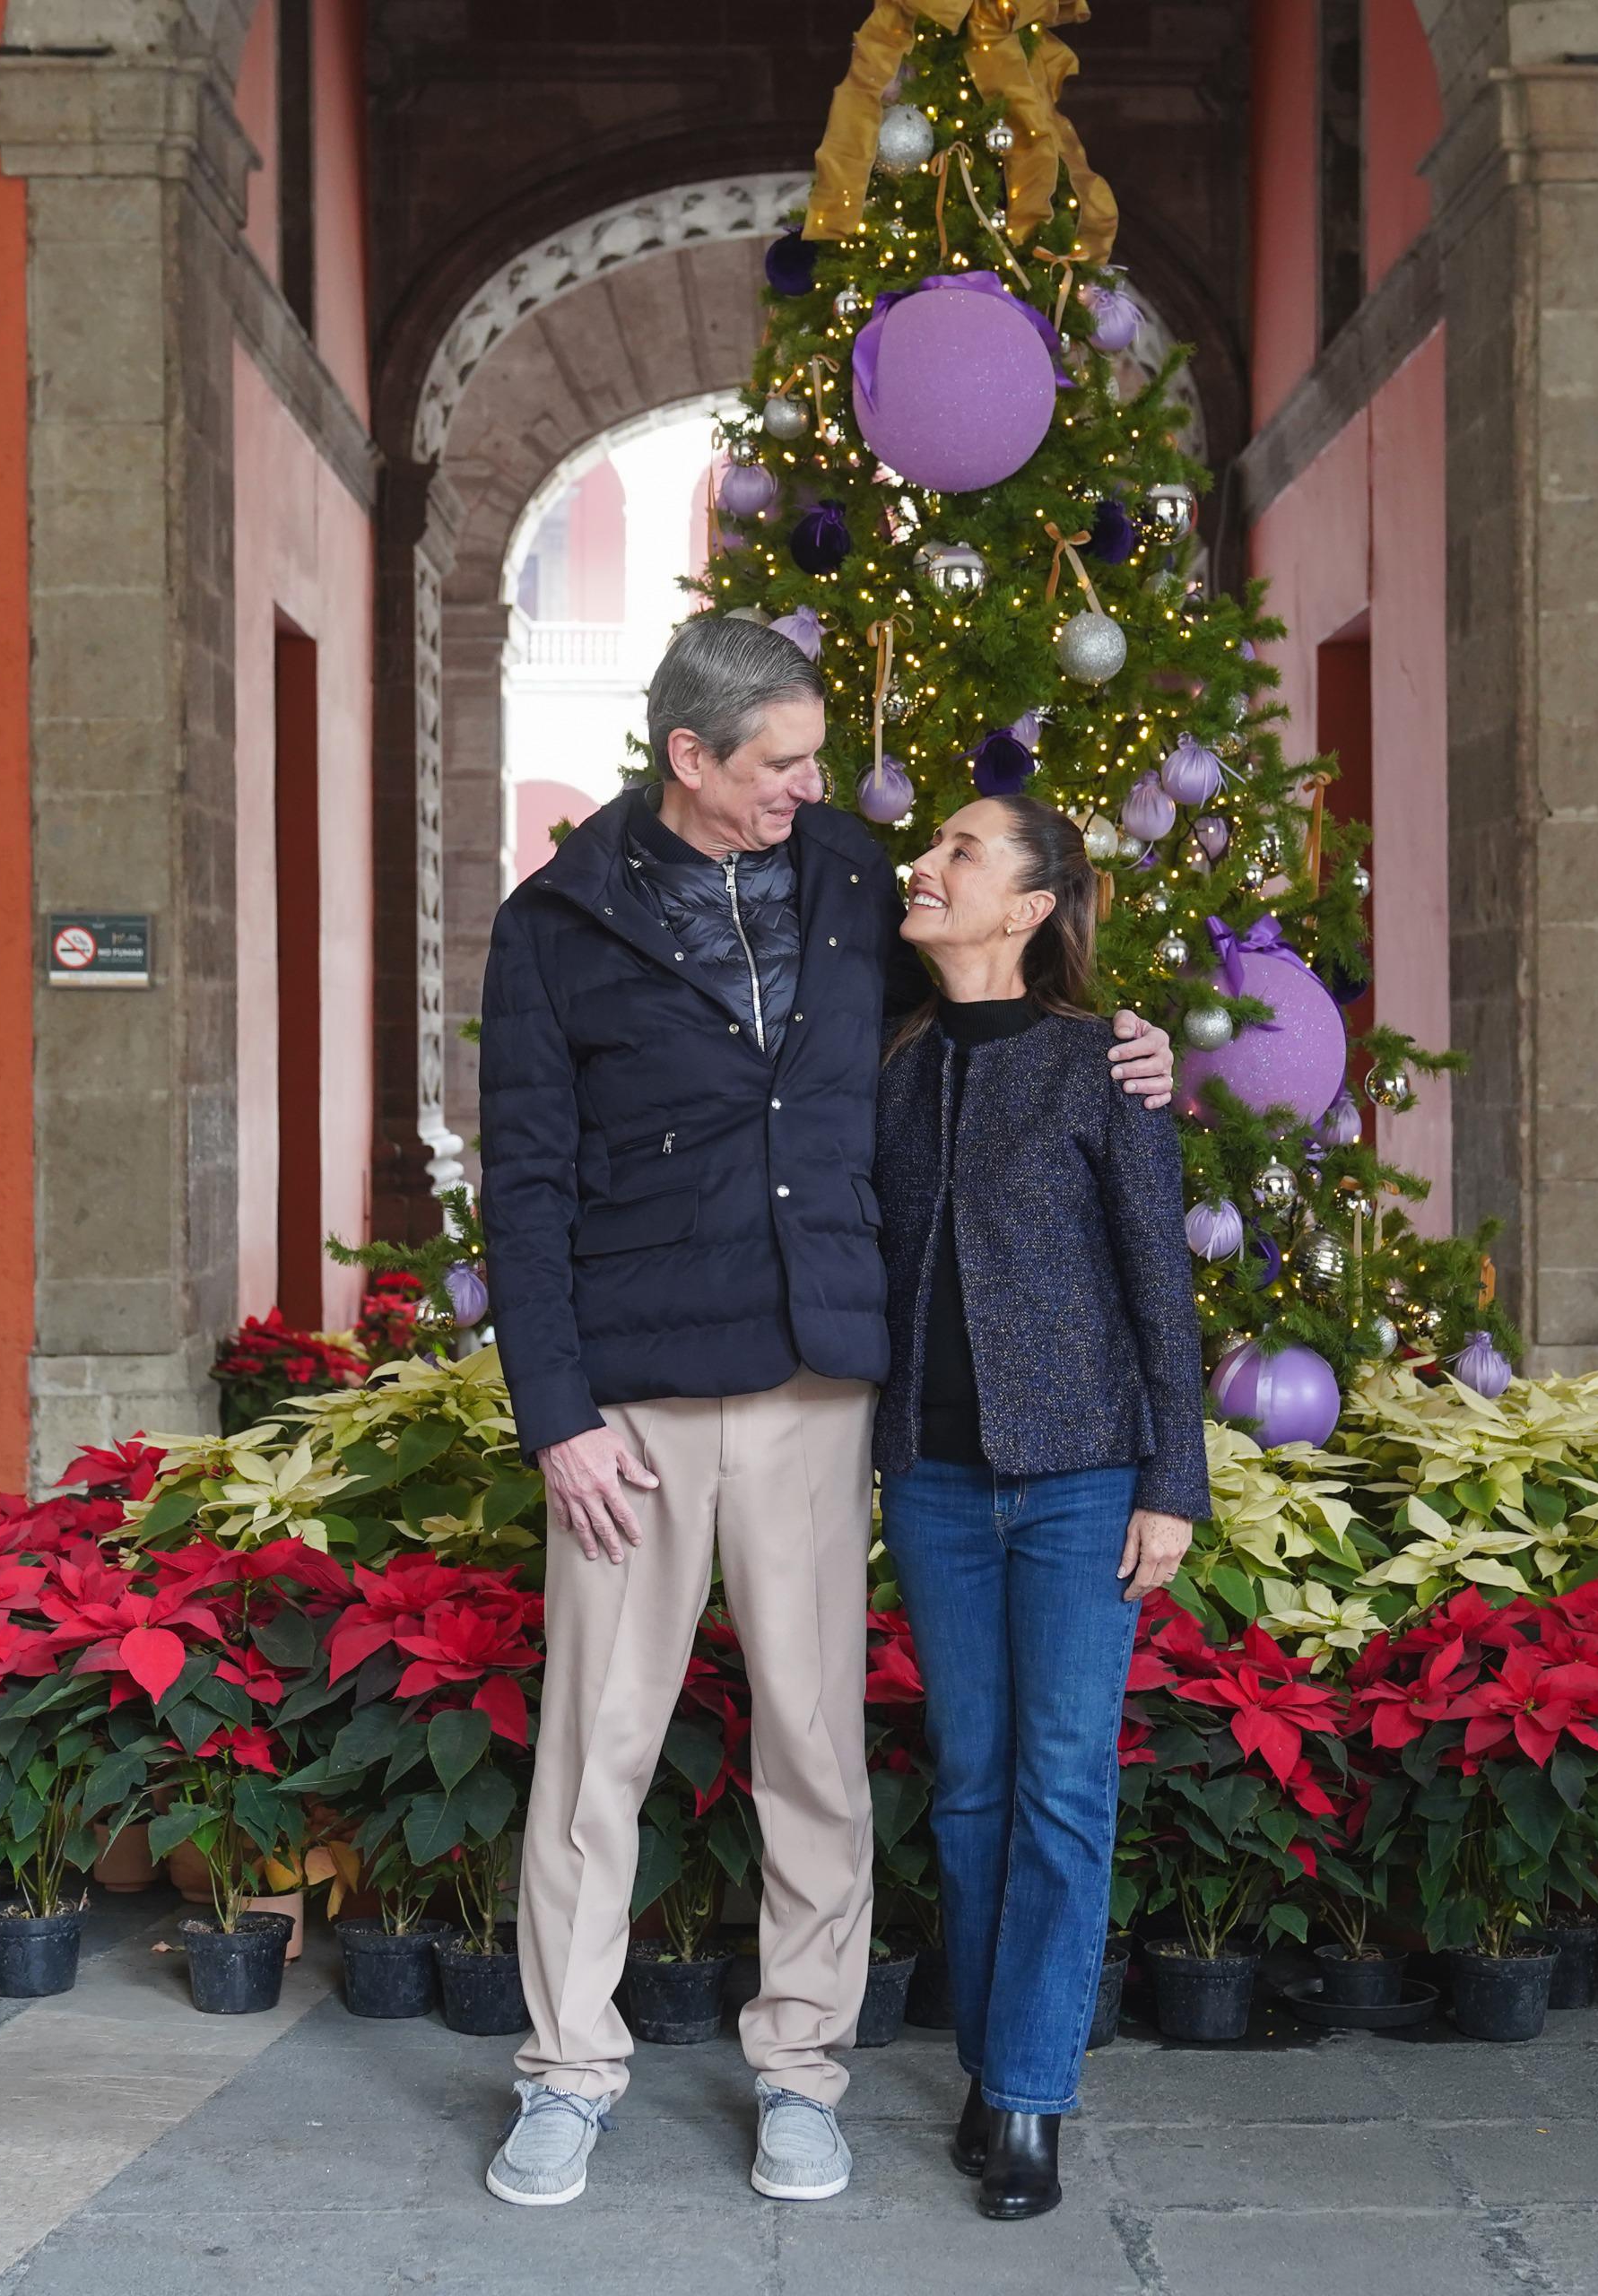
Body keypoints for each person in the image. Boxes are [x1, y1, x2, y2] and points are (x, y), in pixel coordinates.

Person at [475, 617, 1174, 2209]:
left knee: (813, 1747)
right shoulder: (556, 925)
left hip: (813, 1383)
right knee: (598, 1749)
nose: (814, 787)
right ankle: (568, 2073)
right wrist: (558, 1417)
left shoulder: (860, 881)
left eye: (810, 759)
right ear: (692, 760)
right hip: (628, 1403)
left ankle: (802, 2067)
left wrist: (1121, 1046)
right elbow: (520, 1189)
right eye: (779, 763)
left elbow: (995, 1017)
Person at [873, 793, 1212, 2222]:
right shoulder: (886, 1062)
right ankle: (1001, 2052)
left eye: (959, 851)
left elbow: (1159, 1280)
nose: (926, 863)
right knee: (969, 1790)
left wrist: (1172, 1482)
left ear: (1026, 906)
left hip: (1080, 1480)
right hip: (937, 1482)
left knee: (1063, 1791)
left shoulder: (1101, 1067)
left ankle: (1027, 2098)